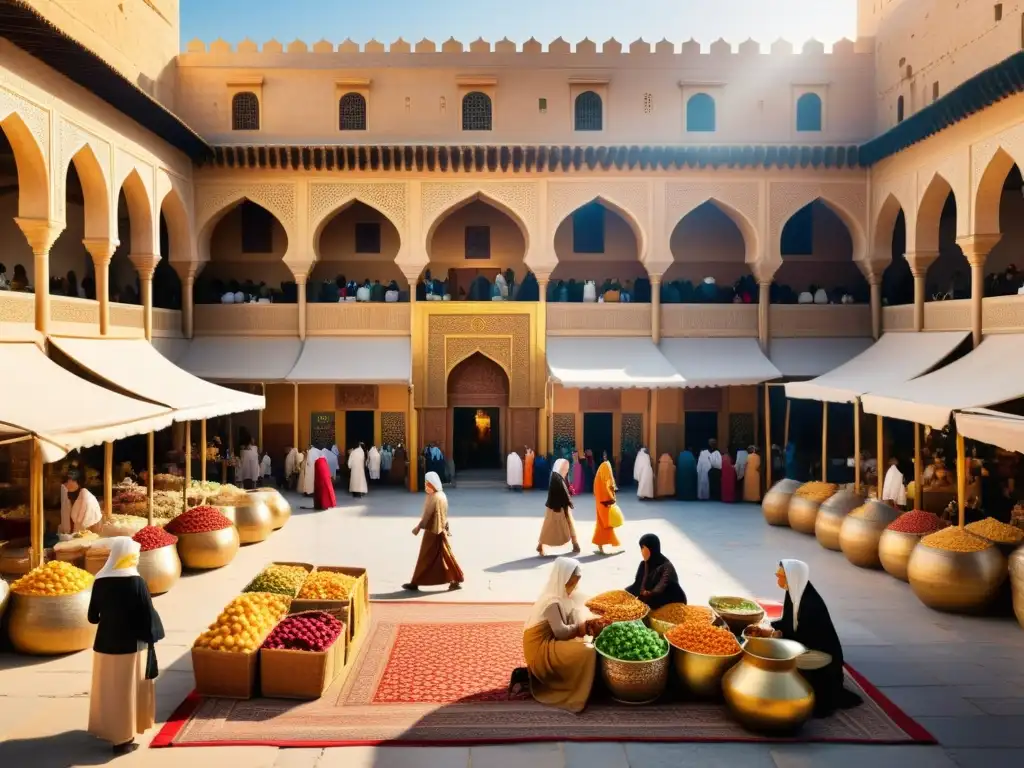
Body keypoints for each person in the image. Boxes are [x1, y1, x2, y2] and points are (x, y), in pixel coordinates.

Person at [87, 537, 164, 754]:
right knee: (125, 691)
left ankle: (107, 729)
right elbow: (147, 615)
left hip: (104, 644)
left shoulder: (100, 580)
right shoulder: (136, 582)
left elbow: (93, 617)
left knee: (108, 689)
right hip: (130, 645)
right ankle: (122, 740)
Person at [771, 559, 863, 718]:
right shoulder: (794, 591)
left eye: (781, 576)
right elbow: (789, 622)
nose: (778, 579)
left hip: (820, 656)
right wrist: (775, 627)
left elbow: (804, 637)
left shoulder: (811, 605)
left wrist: (779, 633)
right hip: (804, 643)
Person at [522, 557, 607, 713]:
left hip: (553, 642)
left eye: (575, 582)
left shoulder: (566, 597)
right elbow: (561, 632)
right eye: (571, 582)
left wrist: (593, 621)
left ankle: (587, 683)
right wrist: (583, 627)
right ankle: (575, 688)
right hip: (541, 650)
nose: (573, 586)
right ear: (562, 579)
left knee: (591, 643)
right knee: (587, 650)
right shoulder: (551, 601)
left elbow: (578, 615)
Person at [403, 471, 464, 592]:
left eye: (427, 484)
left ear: (433, 484)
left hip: (433, 530)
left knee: (425, 556)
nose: (426, 486)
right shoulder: (441, 495)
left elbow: (427, 515)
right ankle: (456, 578)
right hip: (440, 529)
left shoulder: (434, 497)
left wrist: (419, 527)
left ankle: (415, 582)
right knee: (444, 554)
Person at [624, 533, 687, 609]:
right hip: (651, 602)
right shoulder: (643, 565)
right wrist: (623, 593)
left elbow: (661, 588)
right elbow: (637, 585)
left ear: (651, 549)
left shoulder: (666, 567)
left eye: (643, 548)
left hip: (670, 603)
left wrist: (645, 599)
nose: (641, 552)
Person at [537, 458, 580, 556]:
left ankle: (575, 544)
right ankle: (575, 544)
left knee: (548, 527)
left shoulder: (557, 476)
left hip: (557, 506)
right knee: (551, 527)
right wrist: (568, 502)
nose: (566, 469)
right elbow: (562, 492)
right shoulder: (556, 478)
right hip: (558, 507)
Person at [60, 469, 102, 534]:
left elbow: (83, 519)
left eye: (73, 481)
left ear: (78, 482)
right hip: (73, 531)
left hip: (88, 529)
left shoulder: (85, 494)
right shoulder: (66, 494)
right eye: (67, 481)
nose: (69, 483)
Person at [592, 460, 621, 555]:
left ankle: (600, 546)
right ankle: (613, 543)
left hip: (600, 504)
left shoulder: (599, 478)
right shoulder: (602, 481)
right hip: (604, 505)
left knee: (601, 524)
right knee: (607, 525)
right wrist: (612, 498)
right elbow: (606, 493)